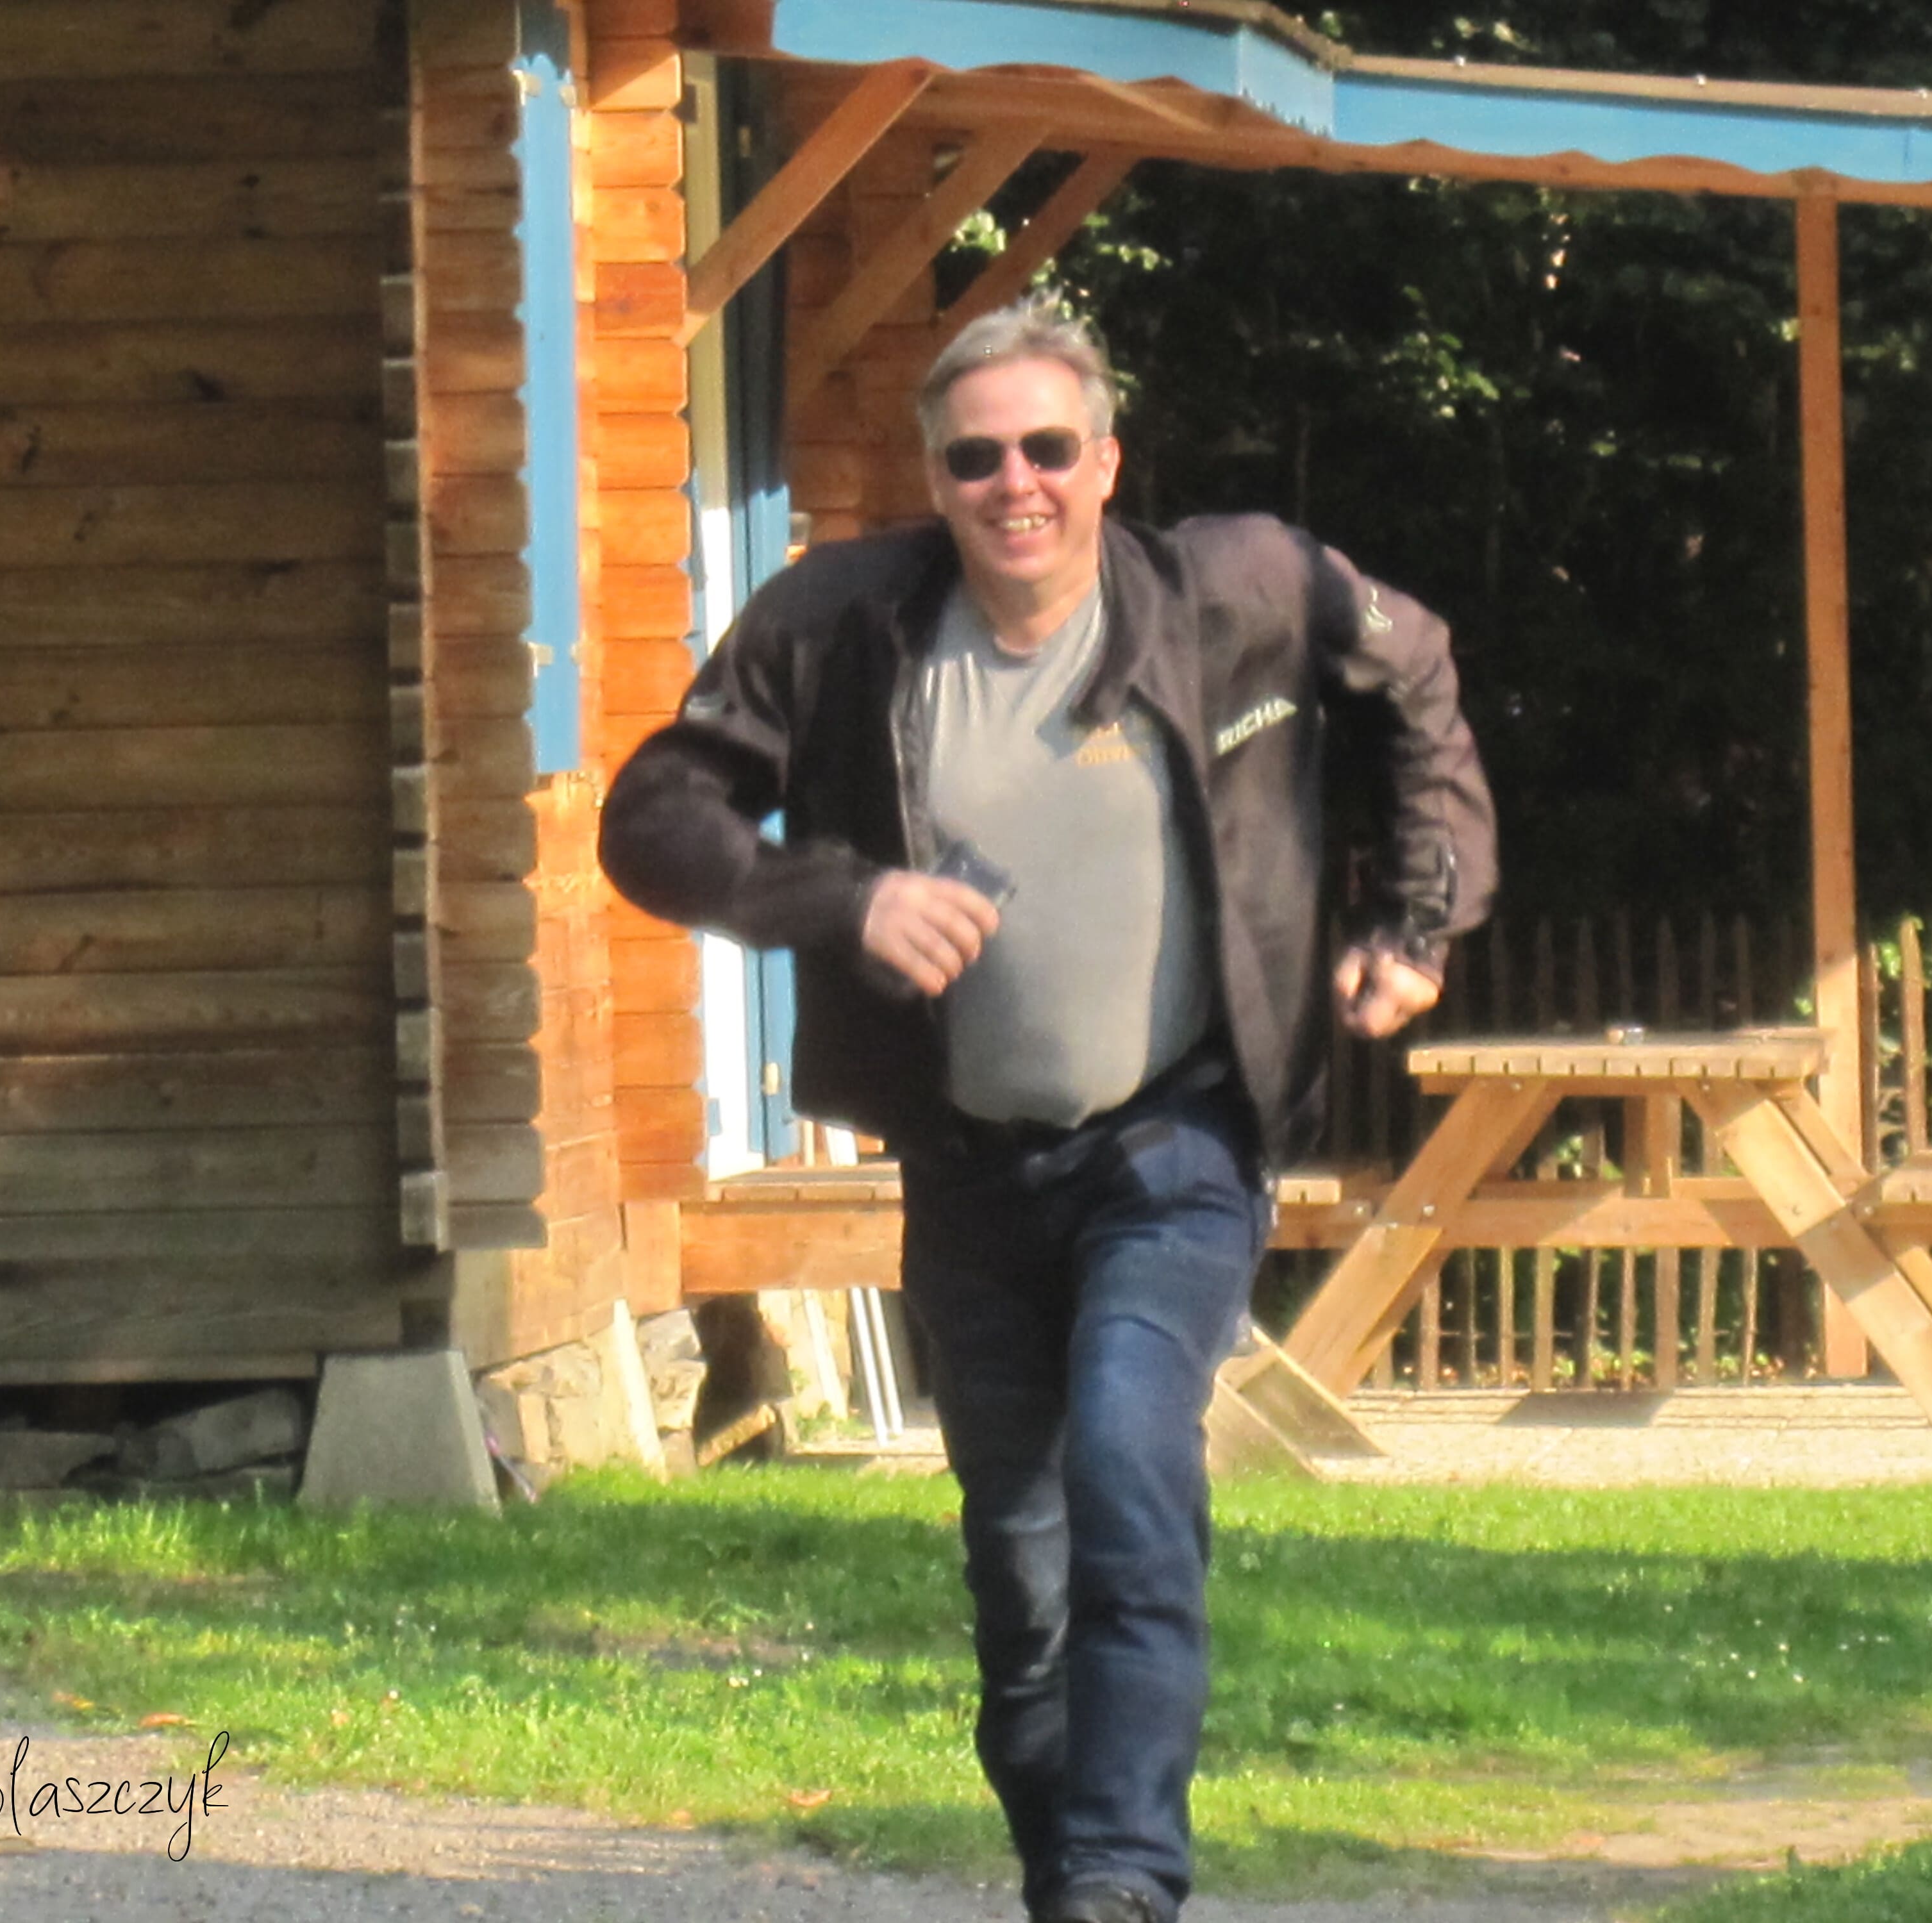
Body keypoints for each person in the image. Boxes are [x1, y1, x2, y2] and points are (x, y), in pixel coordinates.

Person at [598, 300, 1495, 1923]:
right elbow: (653, 816)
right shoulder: (841, 628)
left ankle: (1123, 1876)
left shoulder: (1239, 591)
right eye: (974, 459)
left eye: (1046, 449)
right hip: (967, 1168)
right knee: (1019, 1576)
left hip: (1176, 1140)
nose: (1014, 483)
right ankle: (1067, 1879)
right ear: (933, 481)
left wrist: (1412, 919)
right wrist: (843, 897)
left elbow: (1415, 676)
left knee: (1128, 1456)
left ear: (1105, 463)